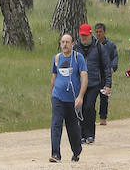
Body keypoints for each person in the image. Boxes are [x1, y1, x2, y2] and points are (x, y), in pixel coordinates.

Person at [49, 34, 87, 163]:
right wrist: (52, 94)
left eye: (67, 42)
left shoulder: (78, 58)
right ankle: (55, 154)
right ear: (60, 44)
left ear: (72, 44)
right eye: (63, 42)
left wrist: (80, 96)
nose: (65, 44)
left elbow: (84, 77)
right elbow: (54, 77)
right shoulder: (56, 58)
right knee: (56, 124)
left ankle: (77, 151)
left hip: (72, 99)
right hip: (58, 97)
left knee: (72, 127)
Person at [73, 23, 112, 144]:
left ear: (90, 34)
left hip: (94, 83)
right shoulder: (75, 48)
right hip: (79, 84)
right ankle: (81, 134)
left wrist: (108, 84)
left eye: (85, 35)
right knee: (80, 108)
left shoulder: (99, 47)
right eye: (82, 36)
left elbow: (106, 67)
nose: (83, 38)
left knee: (89, 107)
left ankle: (90, 134)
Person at [94, 23, 118, 126]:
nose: (98, 34)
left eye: (100, 32)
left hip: (105, 74)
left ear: (104, 32)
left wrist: (112, 67)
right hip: (94, 74)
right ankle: (90, 117)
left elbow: (115, 57)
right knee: (91, 97)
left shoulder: (110, 45)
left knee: (104, 97)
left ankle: (103, 117)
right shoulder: (92, 45)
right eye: (97, 32)